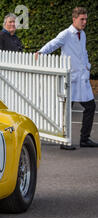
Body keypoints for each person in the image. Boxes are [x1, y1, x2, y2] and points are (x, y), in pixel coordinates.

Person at [36, 7, 97, 149]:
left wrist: (87, 65)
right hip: (71, 78)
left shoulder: (83, 34)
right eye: (82, 19)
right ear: (74, 19)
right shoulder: (66, 34)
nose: (84, 22)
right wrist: (41, 52)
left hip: (82, 77)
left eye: (86, 19)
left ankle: (84, 139)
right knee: (66, 112)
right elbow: (53, 43)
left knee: (90, 106)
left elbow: (84, 52)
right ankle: (64, 141)